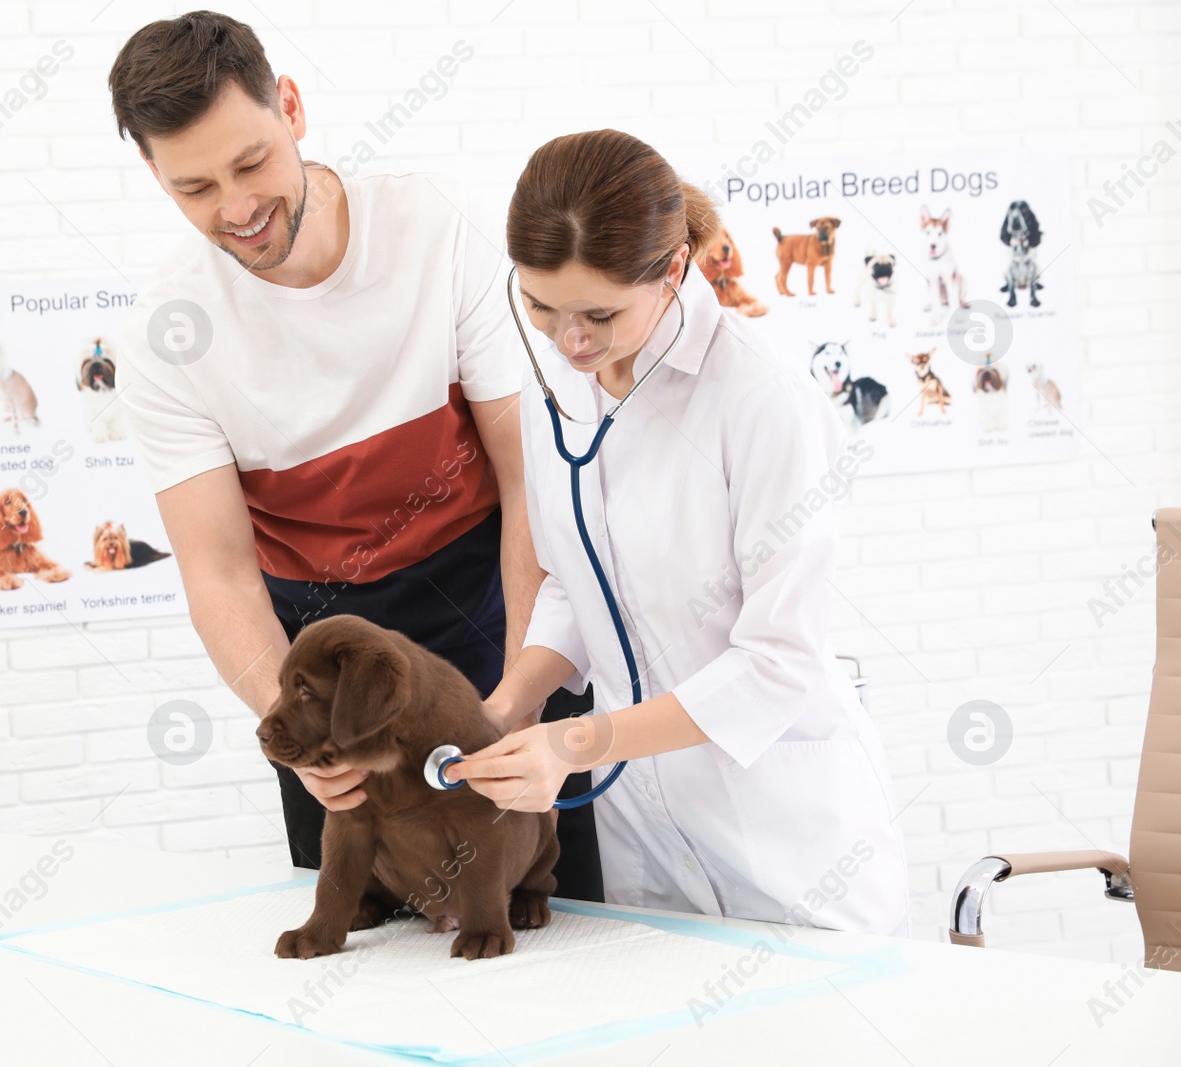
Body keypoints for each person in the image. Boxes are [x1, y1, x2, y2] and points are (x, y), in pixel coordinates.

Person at [106, 11, 605, 900]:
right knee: (364, 963)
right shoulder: (163, 337)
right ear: (153, 175)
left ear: (291, 107)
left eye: (251, 162)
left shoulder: (428, 228)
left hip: (491, 606)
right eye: (194, 188)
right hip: (327, 672)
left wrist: (520, 692)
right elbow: (219, 574)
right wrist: (299, 734)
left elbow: (528, 473)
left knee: (551, 916)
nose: (238, 209)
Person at [447, 129, 912, 937]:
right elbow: (573, 576)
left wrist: (581, 739)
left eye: (599, 314)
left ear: (674, 269)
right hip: (650, 839)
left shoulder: (761, 399)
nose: (570, 342)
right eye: (541, 308)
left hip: (790, 844)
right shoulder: (558, 391)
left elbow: (780, 659)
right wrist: (512, 700)